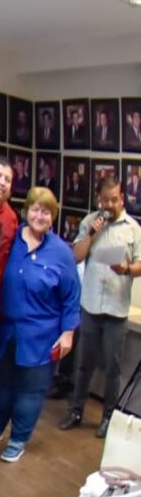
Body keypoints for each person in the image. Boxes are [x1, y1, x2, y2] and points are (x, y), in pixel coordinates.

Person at [0, 188, 80, 462]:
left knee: (30, 390)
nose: (39, 216)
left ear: (53, 216)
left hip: (42, 335)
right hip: (7, 330)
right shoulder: (10, 241)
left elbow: (71, 296)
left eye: (46, 211)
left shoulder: (61, 253)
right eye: (35, 209)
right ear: (26, 211)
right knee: (2, 384)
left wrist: (68, 333)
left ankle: (19, 438)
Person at [59, 177, 141, 437]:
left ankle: (107, 418)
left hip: (116, 309)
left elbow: (140, 264)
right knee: (84, 364)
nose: (110, 204)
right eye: (105, 200)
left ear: (122, 198)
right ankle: (75, 410)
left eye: (115, 199)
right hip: (91, 305)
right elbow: (77, 255)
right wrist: (93, 234)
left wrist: (125, 268)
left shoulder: (133, 229)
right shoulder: (89, 222)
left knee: (112, 368)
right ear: (99, 199)